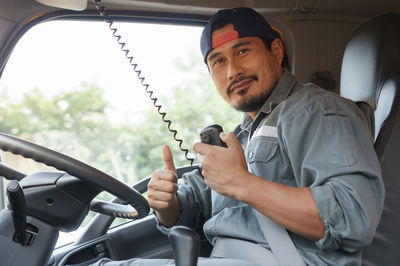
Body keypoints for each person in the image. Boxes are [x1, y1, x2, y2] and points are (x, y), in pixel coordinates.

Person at [93, 7, 384, 266]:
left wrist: (244, 184)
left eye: (243, 51)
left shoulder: (317, 110)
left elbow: (352, 218)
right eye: (218, 61)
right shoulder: (244, 132)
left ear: (277, 52)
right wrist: (168, 204)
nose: (233, 70)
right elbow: (198, 201)